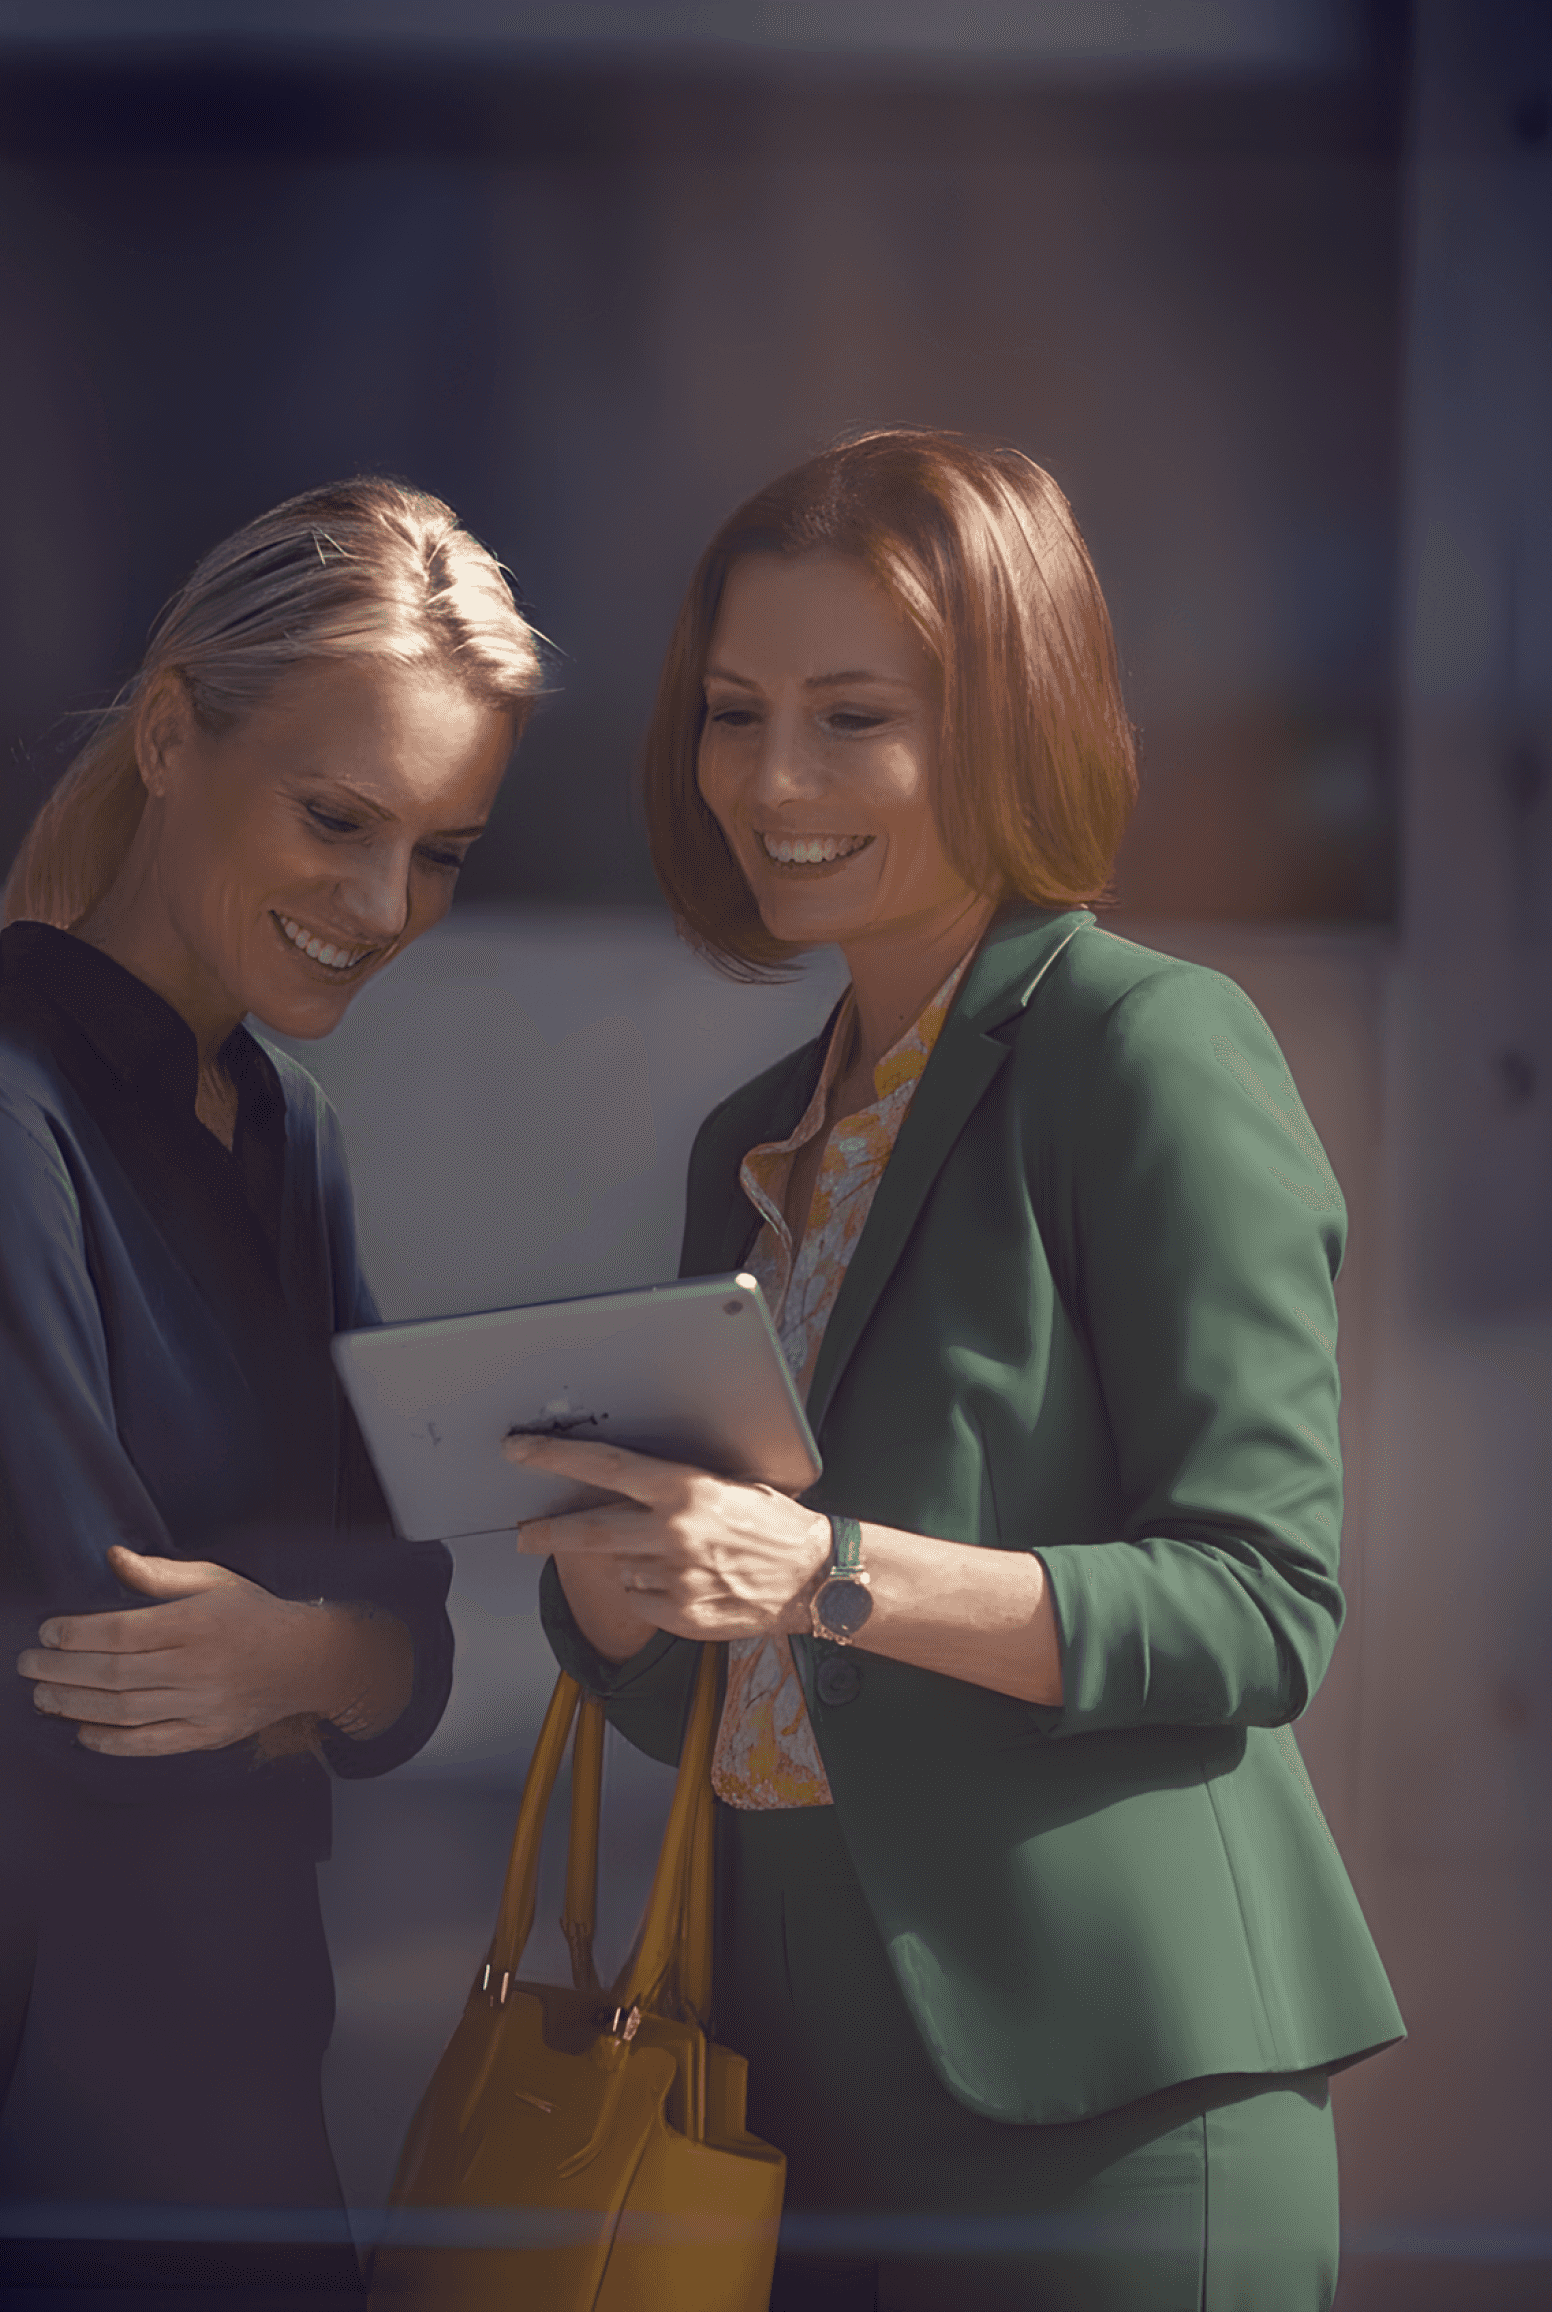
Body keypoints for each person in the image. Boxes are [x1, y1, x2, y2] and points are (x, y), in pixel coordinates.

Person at [505, 429, 1403, 2310]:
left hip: (1111, 2102)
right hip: (773, 2096)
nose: (772, 780)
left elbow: (1261, 1608)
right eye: (734, 714)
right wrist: (619, 1597)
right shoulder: (756, 1138)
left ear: (1007, 723)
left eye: (855, 718)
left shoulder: (1149, 1049)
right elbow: (730, 1705)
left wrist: (827, 1572)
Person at [0, 478, 546, 2302]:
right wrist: (335, 1649)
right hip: (17, 2113)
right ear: (167, 738)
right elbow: (101, 1683)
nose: (386, 904)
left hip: (240, 2113)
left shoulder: (290, 1136)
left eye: (440, 849)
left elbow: (415, 1639)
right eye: (338, 817)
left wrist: (297, 1658)